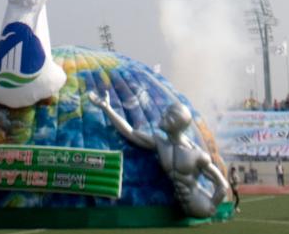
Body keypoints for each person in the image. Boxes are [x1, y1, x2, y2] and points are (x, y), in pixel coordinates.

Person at [88, 91, 229, 219]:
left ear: (176, 123)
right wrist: (107, 108)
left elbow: (222, 185)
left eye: (168, 115)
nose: (162, 116)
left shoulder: (196, 154)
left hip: (200, 206)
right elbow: (130, 133)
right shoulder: (161, 144)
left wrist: (212, 206)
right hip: (182, 205)